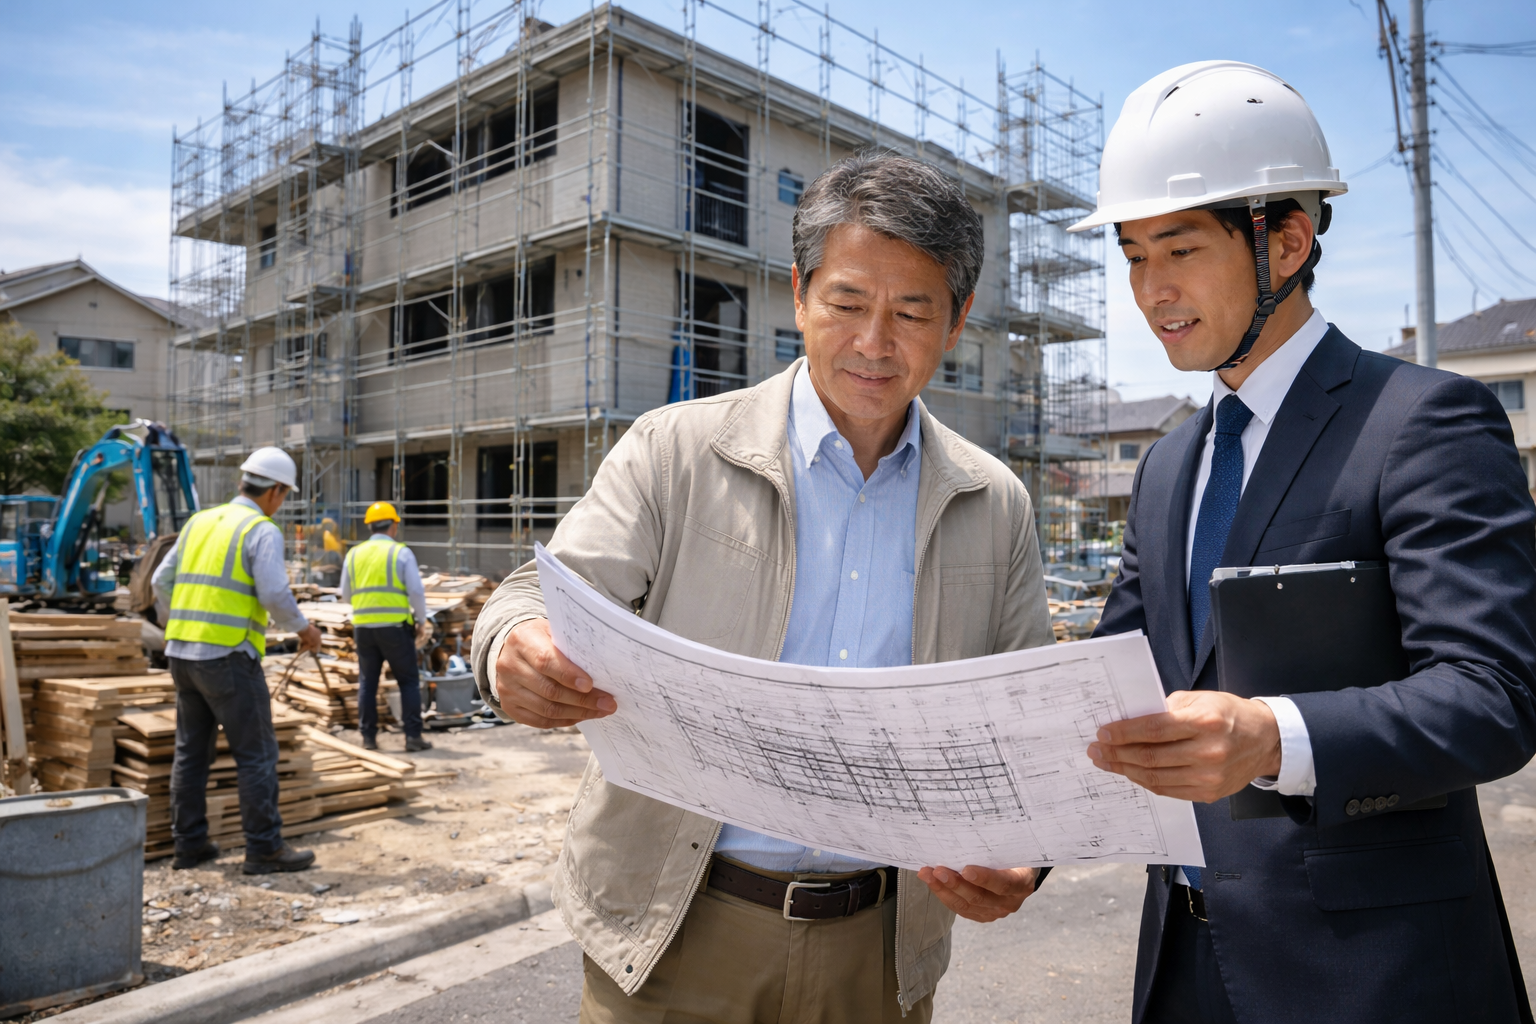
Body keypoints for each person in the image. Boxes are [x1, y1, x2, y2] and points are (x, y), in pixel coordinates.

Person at [472, 153, 1054, 1021]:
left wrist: (1025, 857)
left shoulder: (993, 502)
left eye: (912, 312)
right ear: (799, 294)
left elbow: (1033, 725)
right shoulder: (676, 450)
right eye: (848, 304)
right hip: (675, 931)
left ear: (958, 320)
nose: (873, 343)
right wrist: (511, 650)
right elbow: (536, 597)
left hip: (880, 950)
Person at [1076, 61, 1536, 1023]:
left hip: (1377, 976)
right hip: (1184, 967)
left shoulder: (1422, 422)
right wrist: (1017, 848)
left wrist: (1271, 736)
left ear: (1287, 240)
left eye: (1180, 248)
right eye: (1130, 255)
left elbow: (1493, 697)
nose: (1150, 290)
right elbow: (1111, 683)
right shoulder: (1166, 467)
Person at [154, 446, 324, 875]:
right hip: (228, 656)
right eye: (284, 495)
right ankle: (264, 849)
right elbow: (272, 594)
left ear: (243, 482)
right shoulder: (260, 529)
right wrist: (304, 630)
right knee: (256, 755)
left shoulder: (198, 522)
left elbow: (160, 580)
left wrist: (176, 624)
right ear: (277, 491)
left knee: (191, 753)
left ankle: (189, 846)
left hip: (181, 654)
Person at [342, 500, 433, 752]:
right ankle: (412, 737)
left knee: (368, 682)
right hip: (395, 628)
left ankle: (368, 738)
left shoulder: (353, 554)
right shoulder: (401, 553)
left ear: (369, 527)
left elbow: (346, 594)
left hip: (363, 629)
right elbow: (415, 591)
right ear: (393, 526)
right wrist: (421, 620)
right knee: (408, 682)